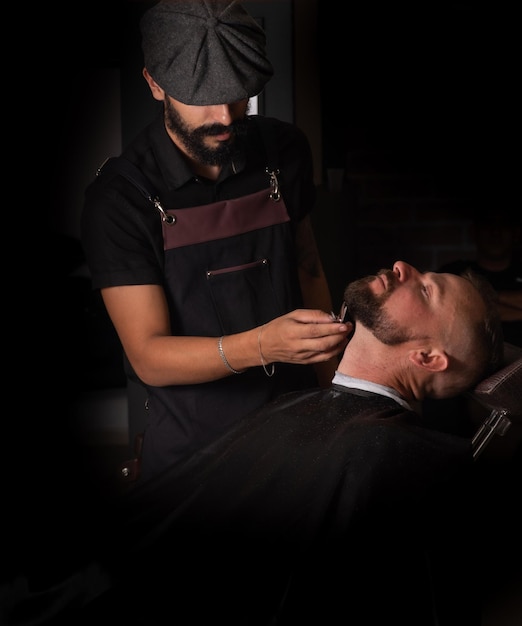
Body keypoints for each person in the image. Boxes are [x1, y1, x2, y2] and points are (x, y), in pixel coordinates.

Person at [2, 260, 503, 625]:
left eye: (428, 290)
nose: (403, 266)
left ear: (429, 359)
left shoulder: (395, 456)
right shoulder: (309, 409)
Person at [81, 0, 349, 482]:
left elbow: (308, 267)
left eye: (238, 96)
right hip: (194, 458)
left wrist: (336, 389)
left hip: (301, 431)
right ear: (155, 83)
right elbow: (149, 356)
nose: (225, 117)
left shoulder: (285, 150)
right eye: (202, 98)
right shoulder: (119, 200)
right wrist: (263, 345)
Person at [439, 207, 522, 347]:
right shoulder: (454, 272)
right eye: (488, 224)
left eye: (503, 225)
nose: (495, 232)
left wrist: (478, 298)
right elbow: (448, 315)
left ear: (516, 233)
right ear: (474, 232)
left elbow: (467, 314)